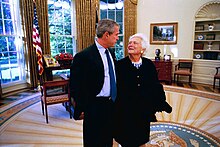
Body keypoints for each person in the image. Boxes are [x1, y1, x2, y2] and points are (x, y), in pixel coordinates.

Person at [114, 33, 172, 147]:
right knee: (126, 140)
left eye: (135, 43)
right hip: (125, 111)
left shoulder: (148, 64)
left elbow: (155, 86)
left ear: (143, 48)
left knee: (141, 139)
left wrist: (161, 102)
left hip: (143, 111)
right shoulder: (120, 65)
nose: (130, 44)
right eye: (130, 42)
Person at [69, 19, 119, 147]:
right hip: (94, 106)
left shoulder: (111, 52)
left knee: (108, 139)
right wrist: (82, 107)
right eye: (116, 35)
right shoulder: (83, 56)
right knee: (93, 141)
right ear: (106, 34)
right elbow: (76, 86)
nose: (117, 38)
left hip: (111, 104)